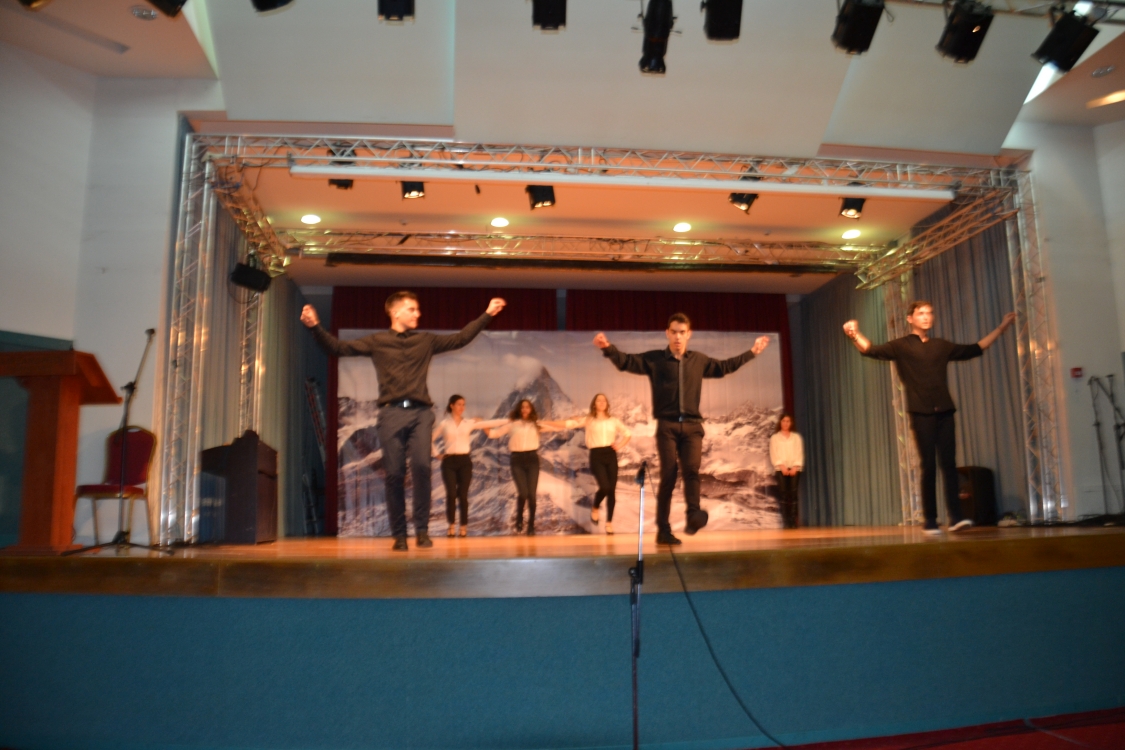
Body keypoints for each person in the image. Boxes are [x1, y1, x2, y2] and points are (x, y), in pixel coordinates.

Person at [301, 292, 506, 550]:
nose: (417, 314)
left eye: (418, 309)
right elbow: (337, 348)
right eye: (412, 309)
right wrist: (315, 327)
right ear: (395, 312)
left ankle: (422, 530)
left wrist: (487, 314)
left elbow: (460, 338)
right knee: (395, 474)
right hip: (391, 414)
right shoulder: (378, 341)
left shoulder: (425, 340)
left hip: (421, 414)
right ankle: (399, 534)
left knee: (421, 467)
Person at [594, 314, 770, 545]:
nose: (678, 337)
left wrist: (753, 352)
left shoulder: (699, 360)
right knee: (668, 474)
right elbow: (627, 362)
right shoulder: (656, 360)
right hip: (667, 426)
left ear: (689, 334)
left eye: (682, 332)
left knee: (691, 471)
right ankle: (663, 531)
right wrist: (607, 348)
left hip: (692, 426)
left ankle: (693, 516)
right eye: (674, 332)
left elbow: (725, 367)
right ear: (667, 333)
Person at [843, 302, 1015, 535]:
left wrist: (1002, 328)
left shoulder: (940, 346)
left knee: (949, 465)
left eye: (930, 313)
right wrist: (854, 334)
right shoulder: (901, 345)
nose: (926, 317)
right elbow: (870, 350)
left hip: (945, 410)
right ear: (910, 319)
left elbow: (975, 348)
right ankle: (931, 521)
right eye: (921, 313)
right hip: (921, 412)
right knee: (928, 465)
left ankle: (955, 518)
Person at [484, 399, 563, 536]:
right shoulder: (512, 424)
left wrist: (570, 422)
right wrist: (482, 425)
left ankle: (531, 525)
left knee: (532, 495)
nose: (525, 409)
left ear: (531, 409)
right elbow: (493, 434)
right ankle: (519, 518)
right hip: (517, 460)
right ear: (519, 410)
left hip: (532, 459)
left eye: (527, 407)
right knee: (523, 493)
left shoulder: (536, 425)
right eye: (522, 407)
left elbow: (556, 428)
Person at [556, 394, 633, 535]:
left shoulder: (613, 420)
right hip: (596, 455)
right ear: (594, 404)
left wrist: (619, 445)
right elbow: (569, 424)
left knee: (611, 491)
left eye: (604, 400)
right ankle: (595, 507)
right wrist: (550, 423)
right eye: (599, 400)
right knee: (605, 487)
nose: (602, 402)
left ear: (607, 404)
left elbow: (627, 434)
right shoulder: (589, 419)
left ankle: (609, 523)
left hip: (610, 454)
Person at [432, 395, 507, 538]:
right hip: (449, 462)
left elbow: (491, 423)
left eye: (463, 404)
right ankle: (451, 525)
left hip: (464, 461)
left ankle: (463, 526)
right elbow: (430, 439)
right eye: (459, 404)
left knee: (463, 495)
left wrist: (511, 420)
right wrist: (436, 454)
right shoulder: (444, 423)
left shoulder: (468, 423)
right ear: (452, 405)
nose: (462, 407)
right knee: (451, 494)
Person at [769, 413, 803, 529]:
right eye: (784, 421)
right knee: (783, 495)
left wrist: (795, 466)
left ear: (791, 423)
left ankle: (793, 521)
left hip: (795, 468)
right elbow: (774, 453)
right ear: (780, 422)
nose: (785, 423)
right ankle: (786, 521)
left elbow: (799, 452)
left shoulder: (796, 437)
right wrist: (781, 465)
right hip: (781, 468)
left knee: (793, 494)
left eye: (788, 421)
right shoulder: (775, 438)